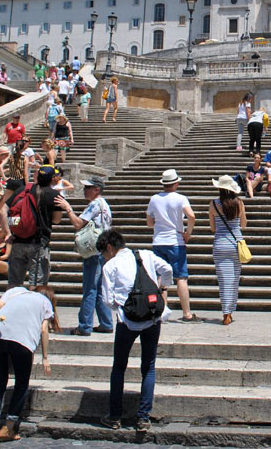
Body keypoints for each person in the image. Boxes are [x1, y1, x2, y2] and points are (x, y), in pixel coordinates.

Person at [98, 229, 172, 431]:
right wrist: (162, 288)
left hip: (126, 321)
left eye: (103, 253)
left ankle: (115, 416)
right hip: (152, 318)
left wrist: (121, 306)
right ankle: (143, 417)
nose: (104, 257)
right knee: (148, 366)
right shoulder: (146, 255)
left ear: (109, 248)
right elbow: (167, 269)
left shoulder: (110, 265)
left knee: (119, 367)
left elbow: (107, 299)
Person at [0, 285, 59, 445]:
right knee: (21, 384)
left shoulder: (15, 291)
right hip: (22, 343)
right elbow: (44, 330)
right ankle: (8, 428)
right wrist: (45, 357)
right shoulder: (45, 302)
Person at [56, 177, 113, 336]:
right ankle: (106, 323)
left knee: (90, 289)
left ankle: (84, 326)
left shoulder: (95, 204)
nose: (84, 190)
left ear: (96, 189)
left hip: (93, 252)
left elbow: (78, 223)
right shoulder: (105, 204)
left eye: (88, 187)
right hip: (102, 252)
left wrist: (68, 209)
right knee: (99, 289)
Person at [148, 169, 198, 322]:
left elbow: (149, 222)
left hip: (158, 241)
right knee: (181, 278)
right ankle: (187, 313)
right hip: (175, 241)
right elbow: (192, 216)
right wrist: (187, 233)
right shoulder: (180, 198)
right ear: (176, 184)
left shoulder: (154, 199)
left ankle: (161, 312)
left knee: (161, 277)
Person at [7, 166, 62, 288]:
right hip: (39, 242)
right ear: (52, 179)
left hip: (18, 240)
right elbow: (56, 220)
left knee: (14, 282)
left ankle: (11, 299)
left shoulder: (23, 190)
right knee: (37, 284)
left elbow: (2, 210)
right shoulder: (54, 194)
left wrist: (8, 233)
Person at [209, 175, 247, 325]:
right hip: (236, 244)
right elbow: (243, 224)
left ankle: (226, 312)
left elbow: (213, 228)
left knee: (223, 280)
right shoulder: (239, 203)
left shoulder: (213, 204)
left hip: (220, 244)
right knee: (234, 279)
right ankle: (230, 310)